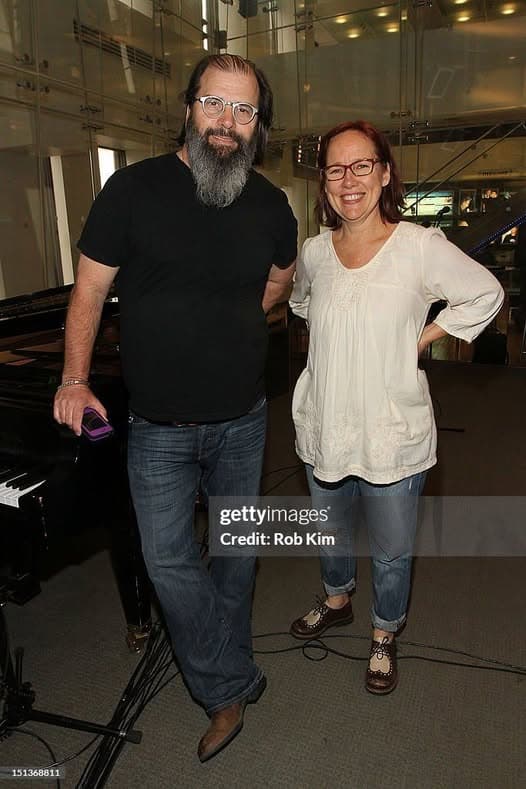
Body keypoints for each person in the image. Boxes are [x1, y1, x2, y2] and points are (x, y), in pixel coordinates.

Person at [54, 54, 297, 761]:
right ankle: (229, 682)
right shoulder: (132, 191)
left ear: (257, 126)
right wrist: (74, 378)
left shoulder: (272, 205)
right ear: (189, 107)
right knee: (167, 561)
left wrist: (228, 326)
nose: (227, 121)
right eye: (215, 102)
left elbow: (277, 284)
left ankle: (225, 665)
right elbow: (89, 293)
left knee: (237, 556)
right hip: (158, 426)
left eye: (244, 110)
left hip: (244, 419)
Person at [288, 120, 503, 694]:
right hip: (325, 422)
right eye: (336, 169)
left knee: (390, 551)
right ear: (324, 182)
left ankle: (384, 632)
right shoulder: (314, 252)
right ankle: (337, 599)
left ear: (384, 174)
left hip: (390, 430)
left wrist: (423, 337)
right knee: (329, 532)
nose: (349, 180)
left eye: (362, 166)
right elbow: (302, 304)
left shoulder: (419, 246)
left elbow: (485, 292)